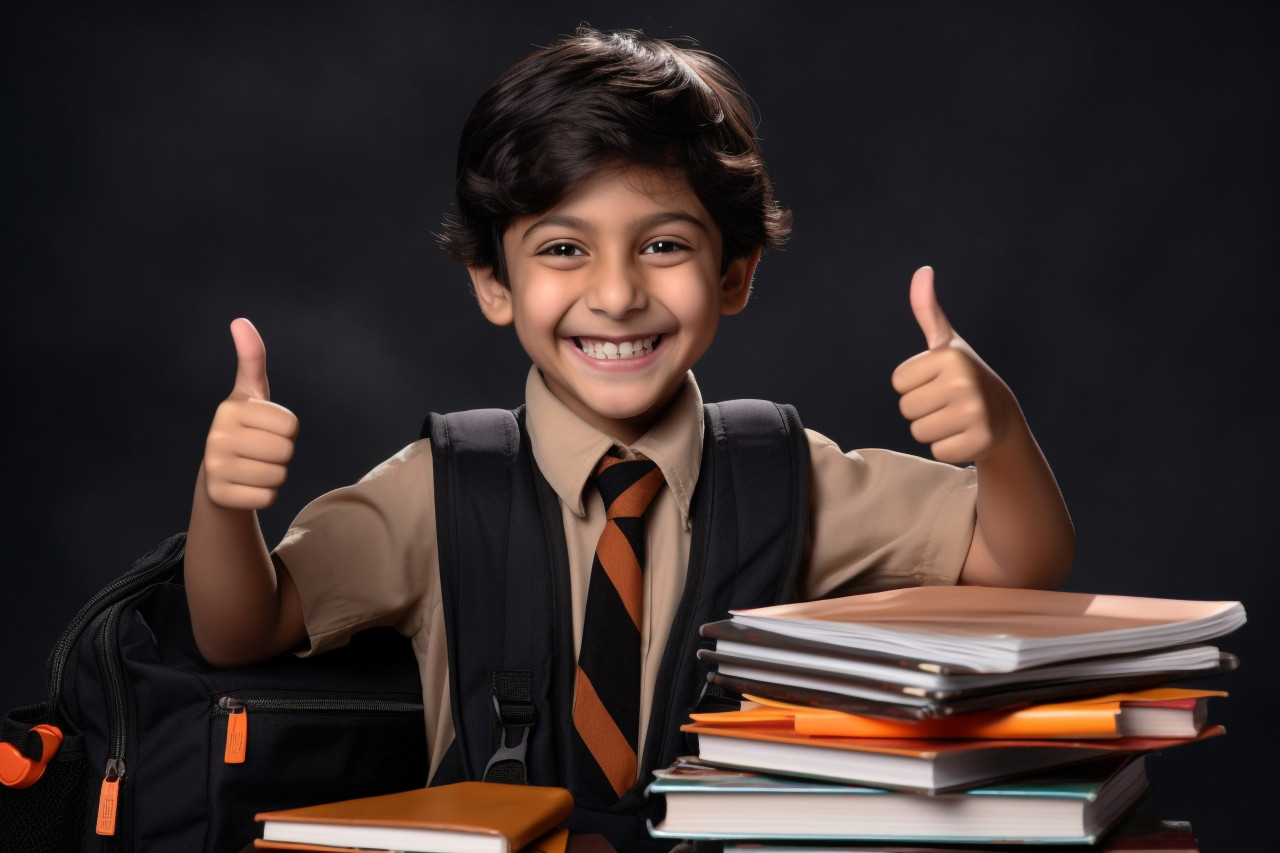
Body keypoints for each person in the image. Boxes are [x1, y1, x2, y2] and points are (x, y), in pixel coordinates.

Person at [183, 25, 1074, 849]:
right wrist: (223, 504)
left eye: (663, 246)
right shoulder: (440, 488)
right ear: (493, 282)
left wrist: (999, 434)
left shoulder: (788, 478)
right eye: (564, 249)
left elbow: (1016, 559)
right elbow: (244, 627)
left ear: (735, 272)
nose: (615, 294)